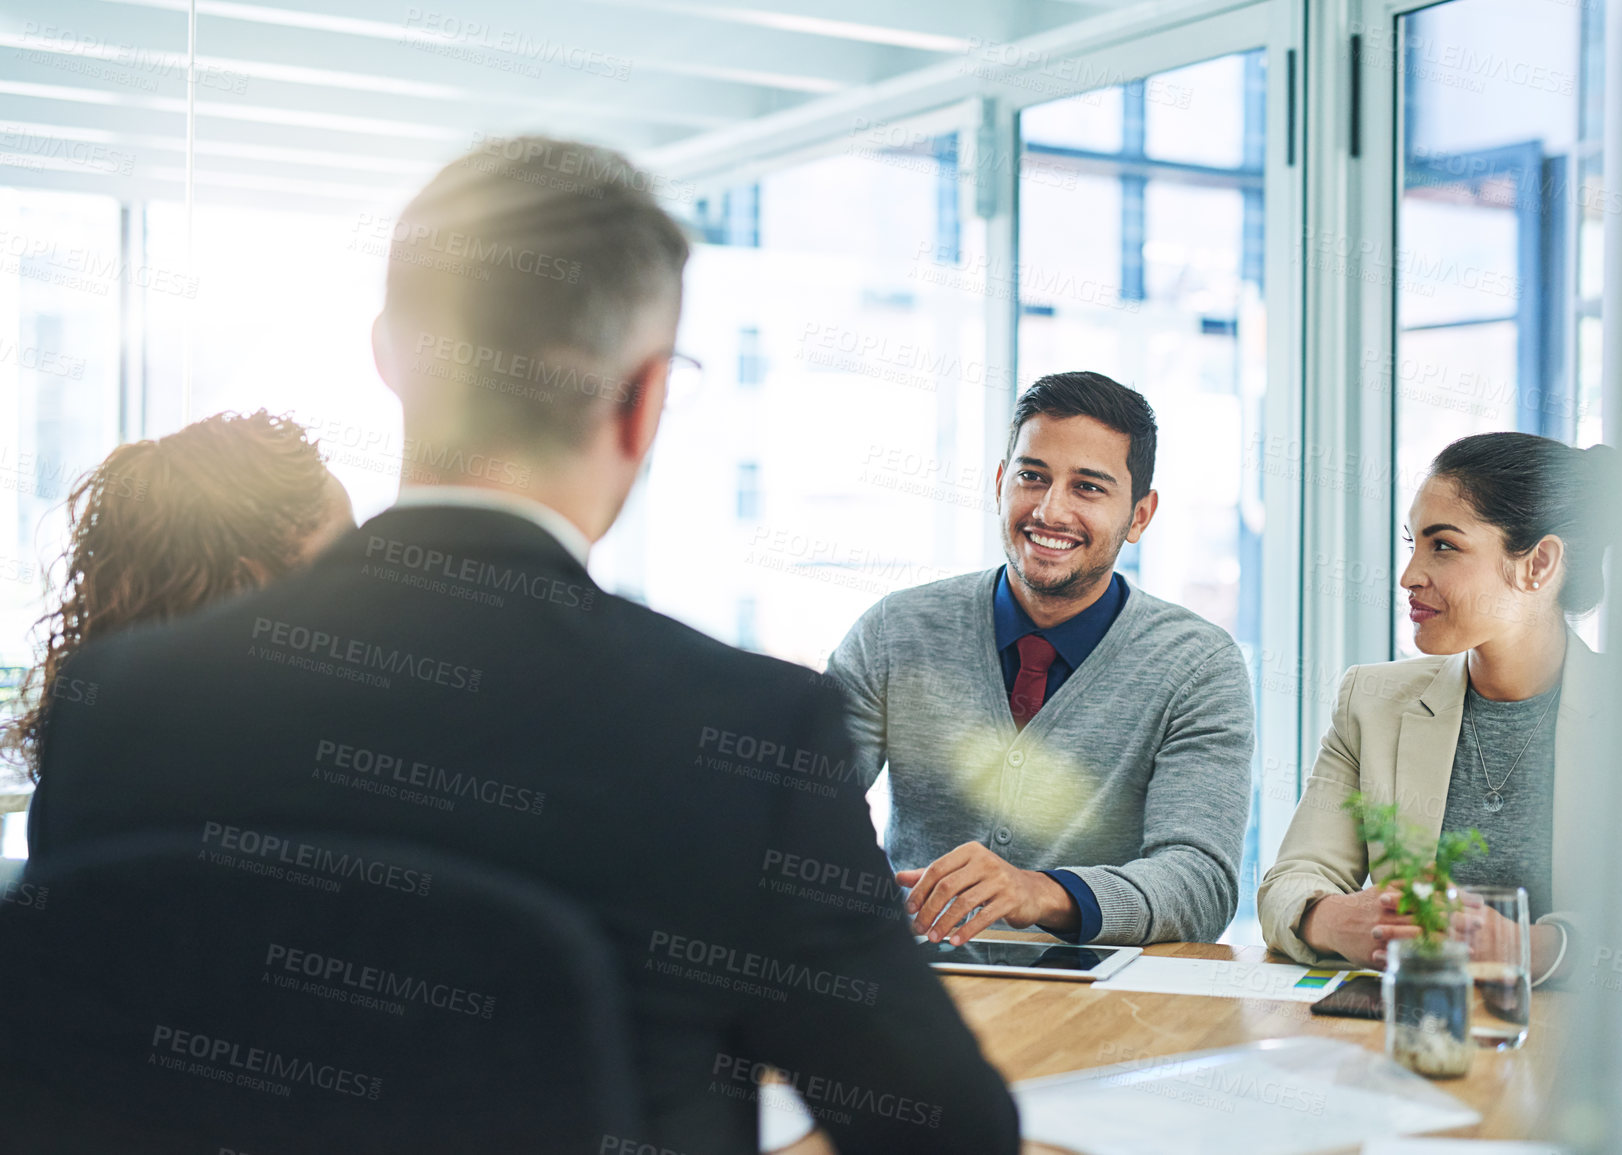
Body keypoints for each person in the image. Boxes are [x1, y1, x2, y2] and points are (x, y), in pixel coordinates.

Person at [24, 137, 1017, 1153]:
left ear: (390, 356)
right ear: (642, 402)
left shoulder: (120, 701)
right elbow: (945, 1134)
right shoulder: (746, 735)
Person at [826, 371, 1255, 948]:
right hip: (916, 978)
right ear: (1001, 483)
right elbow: (802, 806)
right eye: (1032, 477)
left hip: (1101, 1000)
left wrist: (1042, 892)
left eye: (1089, 488)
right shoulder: (894, 630)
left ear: (1140, 516)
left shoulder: (1198, 665)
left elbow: (1201, 886)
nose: (1050, 511)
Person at [1258, 431, 1613, 986]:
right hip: (1407, 1034)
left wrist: (1532, 947)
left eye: (1443, 546)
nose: (1409, 576)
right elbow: (1291, 882)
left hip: (1579, 1053)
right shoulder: (1371, 701)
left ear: (1538, 563)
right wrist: (1334, 919)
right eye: (1413, 545)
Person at [3, 409, 354, 779]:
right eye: (344, 552)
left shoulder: (94, 752)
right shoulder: (302, 765)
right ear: (248, 584)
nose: (359, 574)